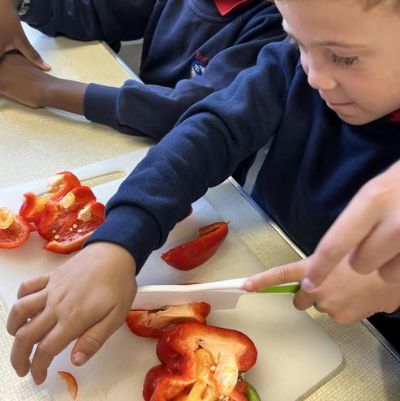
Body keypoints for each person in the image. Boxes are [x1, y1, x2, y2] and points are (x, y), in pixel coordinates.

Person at [6, 0, 400, 387]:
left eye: (344, 58)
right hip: (272, 251)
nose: (313, 77)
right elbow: (209, 132)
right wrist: (117, 241)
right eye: (298, 42)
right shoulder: (292, 65)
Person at [0, 0, 284, 143]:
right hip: (128, 134)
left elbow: (188, 112)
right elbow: (97, 12)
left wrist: (45, 89)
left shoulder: (276, 28)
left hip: (203, 179)